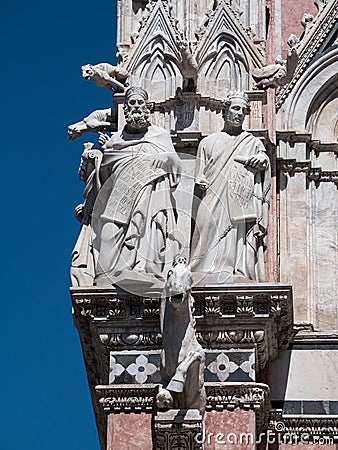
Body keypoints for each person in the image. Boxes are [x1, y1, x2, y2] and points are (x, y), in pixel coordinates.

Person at [90, 86, 182, 289]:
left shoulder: (159, 135)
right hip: (120, 195)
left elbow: (175, 164)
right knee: (108, 231)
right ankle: (110, 270)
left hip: (150, 191)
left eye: (140, 103)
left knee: (148, 225)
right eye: (132, 103)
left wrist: (164, 158)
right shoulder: (115, 141)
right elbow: (106, 173)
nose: (136, 107)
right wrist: (104, 153)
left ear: (147, 108)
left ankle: (144, 267)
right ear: (126, 110)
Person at [190, 92, 271, 283]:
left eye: (244, 110)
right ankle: (201, 268)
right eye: (235, 108)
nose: (240, 114)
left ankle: (232, 269)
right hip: (212, 195)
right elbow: (199, 173)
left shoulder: (252, 142)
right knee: (206, 225)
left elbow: (264, 161)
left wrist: (262, 160)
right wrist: (200, 181)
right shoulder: (207, 142)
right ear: (224, 111)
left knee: (235, 234)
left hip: (237, 198)